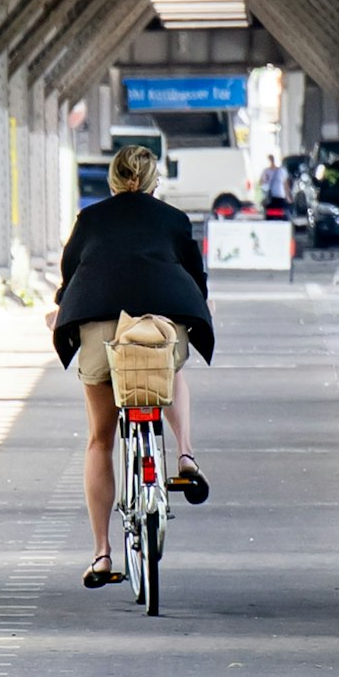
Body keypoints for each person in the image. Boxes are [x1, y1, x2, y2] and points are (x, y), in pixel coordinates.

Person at [50, 145, 215, 589]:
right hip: (161, 324)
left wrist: (61, 310)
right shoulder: (174, 220)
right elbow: (195, 279)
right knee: (170, 369)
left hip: (101, 330)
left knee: (100, 439)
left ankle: (102, 553)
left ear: (112, 179)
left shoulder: (91, 220)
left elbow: (70, 278)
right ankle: (184, 454)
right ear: (153, 181)